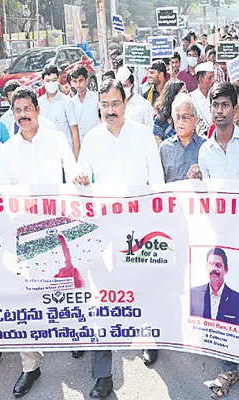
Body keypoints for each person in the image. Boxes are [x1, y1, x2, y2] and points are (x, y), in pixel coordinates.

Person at [74, 78, 164, 399]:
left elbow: (156, 182)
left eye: (115, 104)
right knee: (105, 298)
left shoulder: (142, 136)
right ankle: (103, 376)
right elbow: (80, 177)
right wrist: (81, 177)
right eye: (105, 106)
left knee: (141, 286)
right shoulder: (92, 138)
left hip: (138, 228)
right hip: (103, 229)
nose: (110, 111)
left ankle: (149, 337)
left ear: (126, 104)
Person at [0, 86, 77, 396]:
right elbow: (4, 184)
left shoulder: (56, 139)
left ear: (37, 110)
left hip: (56, 227)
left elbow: (74, 171)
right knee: (25, 295)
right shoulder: (8, 149)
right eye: (18, 111)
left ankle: (70, 337)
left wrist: (79, 180)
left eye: (27, 109)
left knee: (61, 289)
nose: (23, 115)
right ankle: (30, 366)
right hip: (23, 230)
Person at [187, 82, 239, 399]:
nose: (220, 111)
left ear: (236, 109)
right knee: (222, 298)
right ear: (210, 110)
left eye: (226, 105)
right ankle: (228, 367)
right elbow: (204, 199)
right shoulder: (204, 151)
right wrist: (196, 181)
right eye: (215, 105)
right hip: (219, 237)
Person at [190, 248, 239, 326]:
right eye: (210, 264)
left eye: (218, 265)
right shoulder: (193, 294)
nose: (213, 269)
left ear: (226, 270)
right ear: (206, 267)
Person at [159, 93, 206, 182]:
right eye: (177, 117)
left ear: (194, 120)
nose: (180, 122)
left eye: (185, 117)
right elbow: (160, 181)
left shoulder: (205, 146)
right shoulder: (165, 147)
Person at [38, 63, 81, 158]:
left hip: (64, 156)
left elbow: (75, 133)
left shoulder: (67, 102)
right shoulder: (39, 104)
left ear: (59, 79)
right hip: (45, 156)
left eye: (54, 80)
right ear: (42, 81)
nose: (51, 83)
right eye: (48, 81)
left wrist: (77, 159)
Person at [70, 65, 100, 145]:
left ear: (86, 80)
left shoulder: (96, 98)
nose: (78, 85)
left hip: (96, 143)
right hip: (80, 145)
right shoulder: (71, 103)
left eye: (80, 81)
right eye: (75, 81)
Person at [153, 79, 187, 145]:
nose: (186, 95)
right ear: (173, 95)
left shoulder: (189, 117)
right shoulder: (160, 120)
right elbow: (157, 144)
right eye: (184, 92)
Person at [190, 61, 215, 127]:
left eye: (213, 77)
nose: (213, 81)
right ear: (200, 79)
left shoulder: (215, 96)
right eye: (210, 78)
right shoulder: (191, 98)